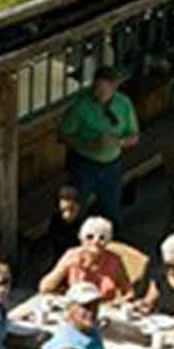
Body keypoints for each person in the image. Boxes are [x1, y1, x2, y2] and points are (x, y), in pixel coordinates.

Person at [59, 65, 139, 224]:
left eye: (103, 91)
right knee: (75, 210)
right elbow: (63, 135)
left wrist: (120, 142)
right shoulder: (81, 106)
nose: (97, 94)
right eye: (95, 89)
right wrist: (87, 145)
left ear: (114, 88)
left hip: (112, 165)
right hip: (84, 165)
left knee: (112, 210)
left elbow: (134, 135)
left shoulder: (123, 104)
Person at [38, 215, 133, 301]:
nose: (96, 241)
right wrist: (65, 266)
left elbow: (129, 292)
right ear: (81, 238)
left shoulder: (114, 261)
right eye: (90, 236)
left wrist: (118, 303)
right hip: (76, 307)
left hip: (104, 310)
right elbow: (45, 288)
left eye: (102, 238)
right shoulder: (72, 255)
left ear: (108, 240)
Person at [24, 184, 89, 277]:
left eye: (71, 210)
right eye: (63, 210)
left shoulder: (86, 225)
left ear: (78, 207)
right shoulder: (56, 222)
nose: (67, 215)